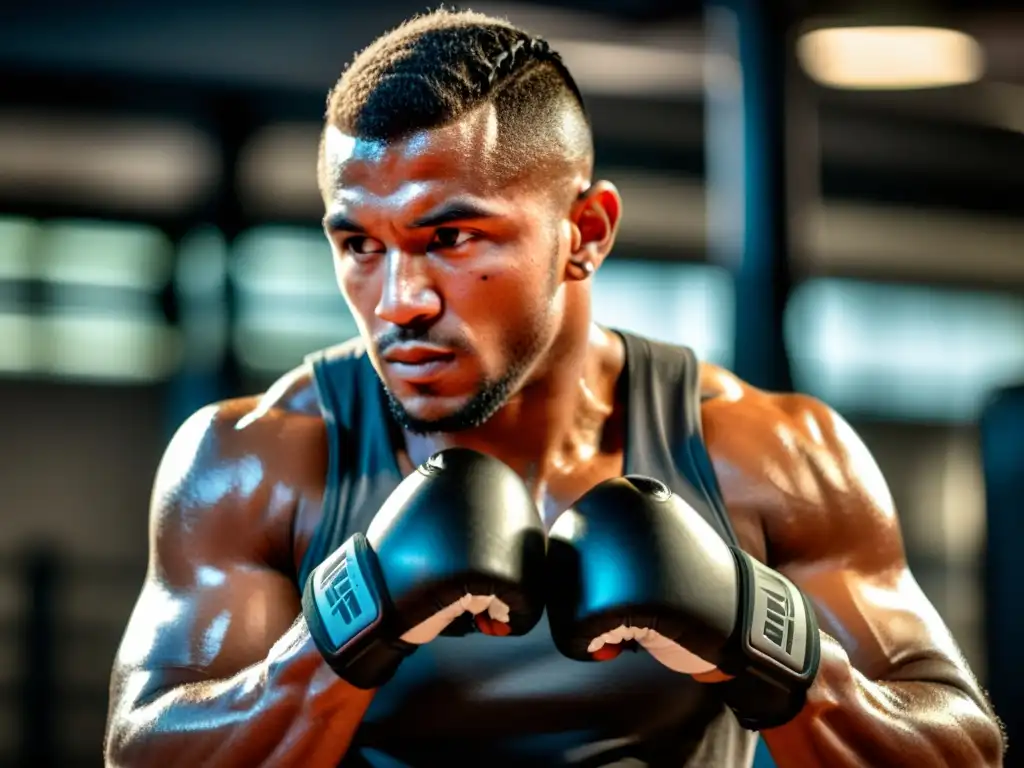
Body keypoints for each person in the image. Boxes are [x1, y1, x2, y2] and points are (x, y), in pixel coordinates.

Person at [103, 8, 1004, 767]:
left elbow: (961, 748)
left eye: (450, 238)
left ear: (586, 230)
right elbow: (143, 749)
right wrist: (347, 625)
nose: (398, 302)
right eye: (360, 245)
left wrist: (757, 636)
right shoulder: (260, 460)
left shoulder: (763, 453)